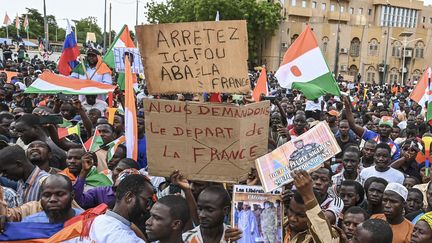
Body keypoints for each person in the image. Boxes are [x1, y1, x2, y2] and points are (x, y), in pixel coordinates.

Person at [87, 174, 155, 242]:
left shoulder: (96, 220)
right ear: (129, 197)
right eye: (147, 201)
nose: (149, 208)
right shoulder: (128, 239)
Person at [284, 170, 340, 242]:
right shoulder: (280, 223)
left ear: (314, 214)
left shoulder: (331, 234)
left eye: (301, 216)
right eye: (291, 211)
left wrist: (308, 195)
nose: (292, 218)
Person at [344, 96, 400, 160]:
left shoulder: (395, 147)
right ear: (378, 128)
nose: (384, 128)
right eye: (381, 126)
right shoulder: (370, 135)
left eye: (387, 127)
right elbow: (352, 125)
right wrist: (347, 105)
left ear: (391, 129)